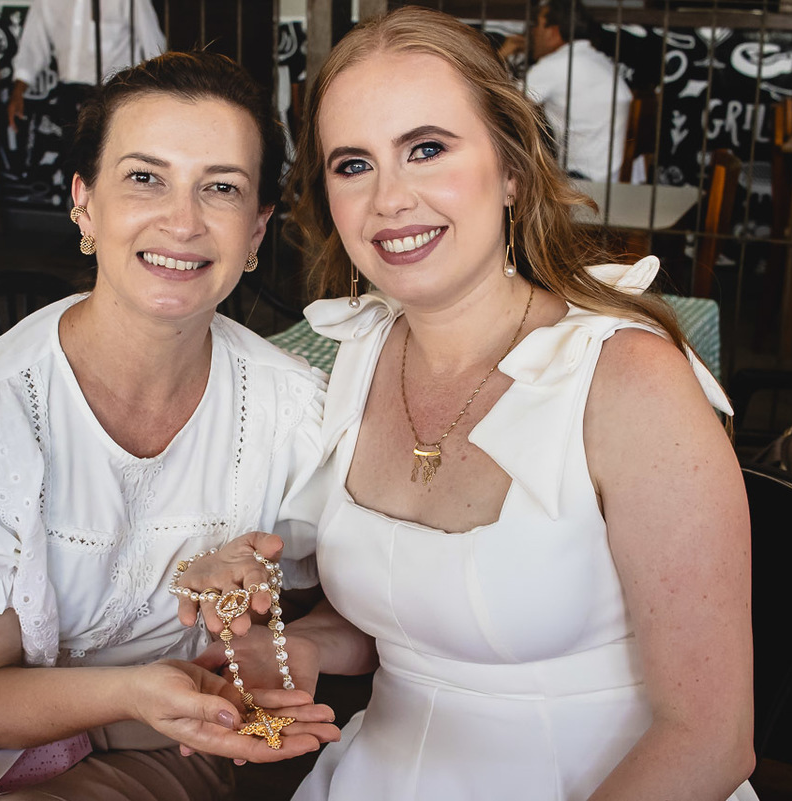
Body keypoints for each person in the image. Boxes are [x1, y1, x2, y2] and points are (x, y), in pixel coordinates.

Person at [240, 7, 757, 799]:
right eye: (353, 164)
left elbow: (711, 740)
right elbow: (419, 604)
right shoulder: (353, 356)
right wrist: (305, 642)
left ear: (512, 168)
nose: (389, 199)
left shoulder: (629, 381)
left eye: (427, 149)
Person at [0, 51, 341, 801]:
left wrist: (261, 616)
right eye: (144, 177)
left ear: (259, 227)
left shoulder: (296, 411)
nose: (183, 219)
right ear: (84, 203)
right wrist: (136, 686)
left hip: (176, 723)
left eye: (222, 187)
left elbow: (375, 610)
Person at [500, 0, 631, 182]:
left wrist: (502, 55)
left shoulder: (557, 65)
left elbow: (502, 106)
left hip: (578, 180)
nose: (532, 32)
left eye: (536, 25)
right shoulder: (599, 61)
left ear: (553, 32)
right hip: (607, 179)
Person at [8, 0, 166, 130]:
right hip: (70, 95)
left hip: (115, 94)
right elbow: (33, 44)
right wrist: (18, 91)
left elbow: (152, 45)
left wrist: (158, 98)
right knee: (75, 161)